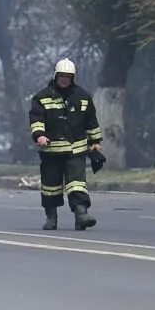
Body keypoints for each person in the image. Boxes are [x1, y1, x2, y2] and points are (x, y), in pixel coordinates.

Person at [28, 59, 101, 231]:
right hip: (51, 150)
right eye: (61, 76)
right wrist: (40, 136)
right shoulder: (42, 97)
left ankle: (81, 214)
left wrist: (95, 142)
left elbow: (91, 121)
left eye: (68, 77)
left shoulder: (82, 97)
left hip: (76, 149)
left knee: (77, 183)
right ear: (56, 75)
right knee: (50, 186)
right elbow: (36, 119)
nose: (64, 79)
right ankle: (51, 217)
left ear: (73, 77)